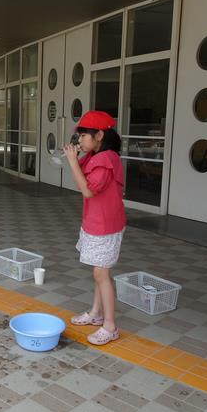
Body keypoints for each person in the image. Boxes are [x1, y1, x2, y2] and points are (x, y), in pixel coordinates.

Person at [63, 110, 125, 346]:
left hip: (106, 226)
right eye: (78, 137)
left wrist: (71, 160)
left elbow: (88, 190)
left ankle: (110, 326)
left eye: (82, 136)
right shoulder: (96, 155)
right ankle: (96, 314)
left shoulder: (107, 159)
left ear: (99, 135)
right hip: (95, 222)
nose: (79, 141)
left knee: (101, 273)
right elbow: (82, 178)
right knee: (100, 273)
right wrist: (76, 156)